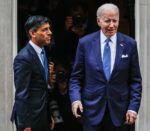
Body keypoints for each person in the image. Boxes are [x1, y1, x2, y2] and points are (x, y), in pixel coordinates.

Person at [69, 3, 142, 131]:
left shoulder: (130, 44)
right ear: (98, 21)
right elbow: (75, 78)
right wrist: (76, 100)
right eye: (107, 21)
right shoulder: (85, 43)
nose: (112, 25)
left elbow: (135, 80)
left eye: (115, 21)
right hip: (91, 110)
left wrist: (133, 107)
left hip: (120, 112)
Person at [11, 15, 54, 131]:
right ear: (32, 33)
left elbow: (42, 88)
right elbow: (21, 94)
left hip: (42, 116)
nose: (49, 32)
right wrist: (25, 125)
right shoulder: (23, 58)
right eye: (44, 30)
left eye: (49, 29)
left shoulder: (43, 51)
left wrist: (48, 116)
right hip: (30, 120)